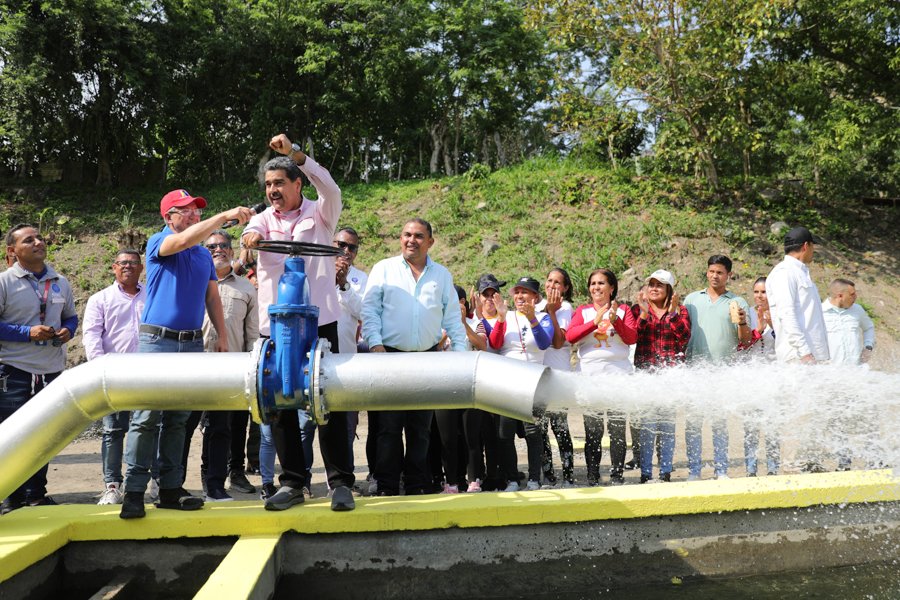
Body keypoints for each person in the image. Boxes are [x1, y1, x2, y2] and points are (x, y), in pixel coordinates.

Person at [119, 190, 252, 519]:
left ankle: (170, 488)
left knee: (178, 420)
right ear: (169, 218)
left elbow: (213, 297)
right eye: (187, 210)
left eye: (197, 210)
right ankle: (134, 491)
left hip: (191, 343)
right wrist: (221, 217)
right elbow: (180, 242)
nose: (194, 215)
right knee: (146, 418)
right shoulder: (158, 242)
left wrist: (221, 335)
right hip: (157, 342)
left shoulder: (203, 256)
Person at [242, 134, 356, 512]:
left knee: (330, 402)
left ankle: (340, 483)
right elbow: (249, 235)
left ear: (297, 184)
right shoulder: (261, 219)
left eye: (280, 183)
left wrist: (294, 154)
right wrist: (252, 237)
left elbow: (330, 184)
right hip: (275, 326)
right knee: (280, 403)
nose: (273, 190)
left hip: (320, 322)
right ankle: (292, 482)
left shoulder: (322, 214)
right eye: (268, 184)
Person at [361, 218, 466, 496]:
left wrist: (460, 356)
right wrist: (375, 345)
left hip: (427, 359)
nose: (411, 240)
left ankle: (418, 484)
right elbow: (369, 311)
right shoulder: (384, 269)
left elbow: (453, 319)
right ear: (400, 238)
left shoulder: (441, 275)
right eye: (406, 234)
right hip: (389, 357)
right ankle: (386, 485)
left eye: (419, 236)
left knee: (421, 430)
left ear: (430, 241)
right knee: (388, 428)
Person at [0, 224, 78, 514]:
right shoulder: (5, 282)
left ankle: (36, 495)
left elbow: (71, 317)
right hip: (13, 370)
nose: (38, 242)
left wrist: (68, 331)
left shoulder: (60, 281)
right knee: (13, 435)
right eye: (28, 240)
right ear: (13, 251)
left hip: (51, 370)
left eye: (40, 238)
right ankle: (10, 496)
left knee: (44, 435)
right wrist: (26, 332)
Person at [186, 230, 259, 502]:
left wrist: (250, 367)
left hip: (230, 369)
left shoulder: (245, 287)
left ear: (231, 250)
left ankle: (215, 484)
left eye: (223, 245)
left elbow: (252, 335)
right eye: (211, 246)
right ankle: (170, 484)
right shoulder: (192, 283)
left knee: (221, 429)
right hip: (193, 365)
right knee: (182, 425)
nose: (218, 249)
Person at [82, 249, 147, 505]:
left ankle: (143, 483)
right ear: (113, 268)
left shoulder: (152, 297)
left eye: (132, 263)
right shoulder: (100, 299)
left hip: (146, 373)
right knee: (112, 431)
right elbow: (92, 336)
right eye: (122, 263)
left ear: (141, 268)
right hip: (114, 375)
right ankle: (112, 485)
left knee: (147, 429)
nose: (127, 267)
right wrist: (100, 370)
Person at [683, 255, 753, 480]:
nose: (715, 275)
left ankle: (721, 470)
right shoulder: (692, 300)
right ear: (707, 272)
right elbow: (682, 331)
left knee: (719, 423)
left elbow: (745, 340)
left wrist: (742, 322)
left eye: (720, 272)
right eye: (712, 271)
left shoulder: (737, 302)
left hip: (723, 372)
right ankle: (694, 470)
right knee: (693, 423)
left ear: (729, 275)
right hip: (694, 370)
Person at [566, 268, 638, 486]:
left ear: (612, 287)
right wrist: (594, 321)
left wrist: (615, 320)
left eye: (601, 283)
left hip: (619, 376)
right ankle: (593, 475)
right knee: (594, 430)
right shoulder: (583, 311)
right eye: (593, 284)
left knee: (617, 429)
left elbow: (632, 338)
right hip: (591, 378)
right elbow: (571, 336)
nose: (596, 288)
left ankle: (617, 475)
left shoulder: (623, 309)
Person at [488, 276, 555, 491]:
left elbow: (545, 342)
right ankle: (513, 480)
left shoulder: (543, 317)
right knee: (504, 433)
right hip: (508, 381)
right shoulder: (505, 316)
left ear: (535, 297)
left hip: (534, 381)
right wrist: (499, 318)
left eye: (525, 292)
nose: (519, 296)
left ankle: (535, 478)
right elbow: (495, 343)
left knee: (533, 432)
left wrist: (532, 318)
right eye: (517, 292)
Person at [632, 269, 690, 483]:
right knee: (647, 427)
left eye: (659, 285)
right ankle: (645, 473)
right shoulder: (638, 310)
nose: (654, 288)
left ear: (669, 290)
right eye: (651, 284)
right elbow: (633, 337)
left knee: (666, 427)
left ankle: (665, 472)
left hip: (669, 377)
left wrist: (673, 313)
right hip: (645, 375)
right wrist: (644, 314)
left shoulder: (681, 311)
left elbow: (684, 337)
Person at [822, 278, 876, 469]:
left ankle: (873, 460)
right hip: (833, 378)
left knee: (869, 417)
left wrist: (868, 346)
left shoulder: (857, 311)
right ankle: (843, 464)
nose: (856, 297)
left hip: (857, 375)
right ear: (840, 295)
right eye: (852, 294)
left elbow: (869, 327)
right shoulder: (820, 313)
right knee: (839, 422)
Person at [463, 274, 504, 493]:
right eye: (485, 294)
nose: (490, 299)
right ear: (478, 297)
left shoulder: (506, 318)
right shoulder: (474, 320)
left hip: (498, 382)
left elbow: (495, 342)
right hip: (476, 382)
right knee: (476, 433)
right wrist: (472, 313)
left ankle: (498, 474)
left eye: (493, 293)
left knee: (496, 434)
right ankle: (477, 475)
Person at [535, 268, 576, 488]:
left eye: (557, 282)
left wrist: (552, 311)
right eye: (549, 280)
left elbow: (559, 342)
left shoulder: (565, 308)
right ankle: (548, 475)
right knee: (540, 429)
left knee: (560, 428)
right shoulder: (535, 307)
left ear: (565, 287)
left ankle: (568, 475)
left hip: (559, 376)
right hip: (539, 377)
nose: (552, 285)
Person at [765, 227, 829, 364]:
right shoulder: (784, 273)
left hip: (813, 355)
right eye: (813, 246)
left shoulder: (800, 273)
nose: (814, 251)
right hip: (798, 356)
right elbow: (786, 313)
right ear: (806, 246)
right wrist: (804, 351)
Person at [741, 276, 780, 477]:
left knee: (772, 425)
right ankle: (750, 468)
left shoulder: (781, 313)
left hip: (773, 376)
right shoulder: (745, 313)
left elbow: (787, 342)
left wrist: (773, 323)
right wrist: (758, 329)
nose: (759, 296)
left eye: (763, 292)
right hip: (751, 377)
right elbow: (741, 344)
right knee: (751, 427)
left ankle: (773, 468)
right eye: (756, 292)